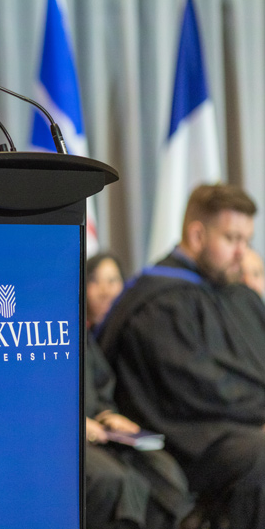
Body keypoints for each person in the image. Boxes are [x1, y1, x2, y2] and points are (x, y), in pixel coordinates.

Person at [98, 184, 265, 528]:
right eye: (232, 239)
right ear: (197, 234)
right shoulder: (159, 304)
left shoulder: (237, 295)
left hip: (240, 429)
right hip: (192, 444)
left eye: (246, 240)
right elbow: (198, 392)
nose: (242, 253)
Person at [83, 254, 193, 529]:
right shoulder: (54, 331)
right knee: (117, 481)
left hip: (102, 429)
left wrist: (107, 412)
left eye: (113, 280)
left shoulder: (91, 335)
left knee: (162, 469)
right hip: (70, 435)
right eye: (94, 281)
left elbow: (100, 382)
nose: (106, 290)